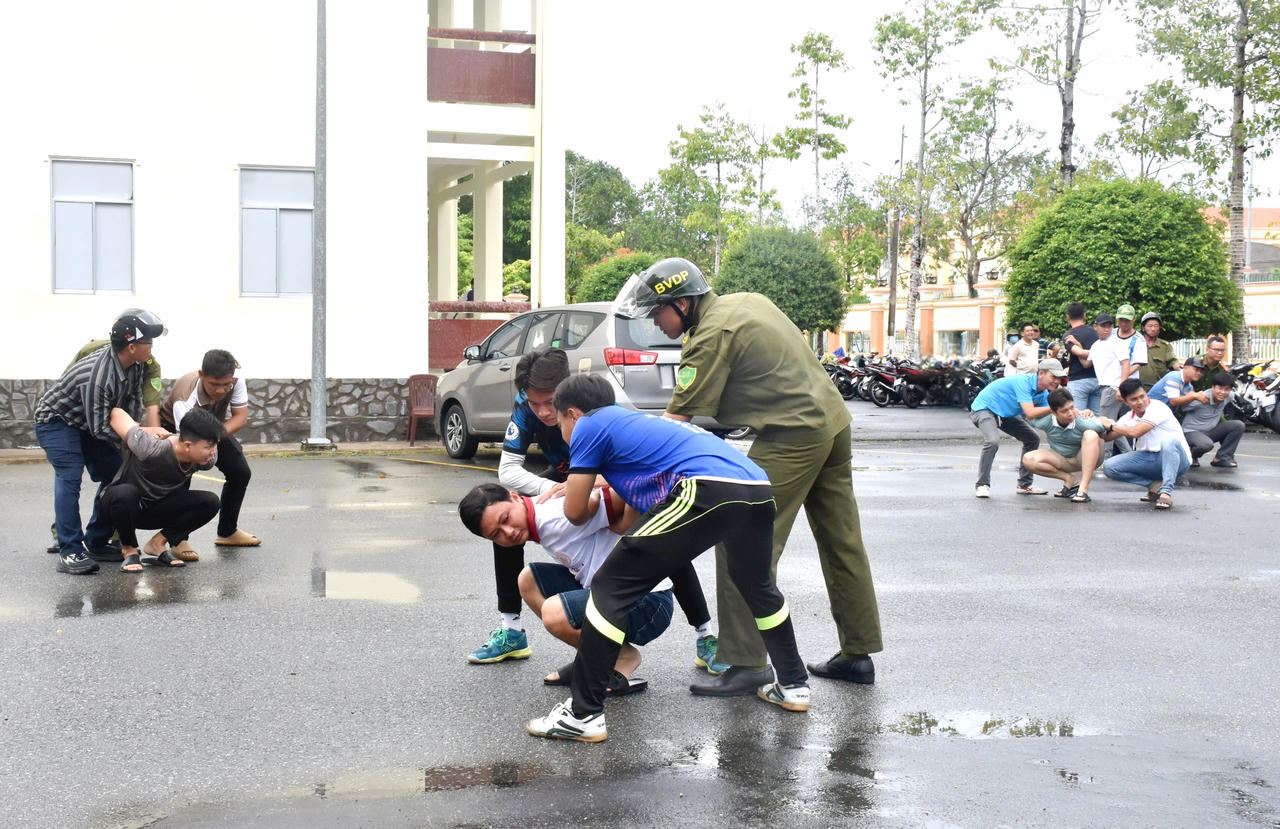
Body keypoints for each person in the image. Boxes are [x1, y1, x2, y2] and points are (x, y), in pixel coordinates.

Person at [615, 257, 882, 695]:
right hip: (834, 422)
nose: (655, 323)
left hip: (792, 434)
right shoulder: (746, 301)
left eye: (658, 312)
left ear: (683, 303)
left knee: (739, 534)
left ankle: (747, 662)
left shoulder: (709, 336)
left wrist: (627, 467)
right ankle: (858, 653)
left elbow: (676, 422)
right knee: (842, 540)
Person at [525, 374, 809, 743]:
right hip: (756, 487)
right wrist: (608, 480)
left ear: (573, 414)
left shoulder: (589, 426)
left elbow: (576, 512)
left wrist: (587, 482)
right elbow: (630, 522)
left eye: (559, 418)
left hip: (706, 485)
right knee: (759, 589)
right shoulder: (637, 424)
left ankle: (583, 714)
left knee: (611, 585)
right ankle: (793, 685)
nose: (559, 426)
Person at [469, 348, 719, 670]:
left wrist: (597, 485)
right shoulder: (524, 406)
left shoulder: (594, 403)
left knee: (657, 534)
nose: (544, 412)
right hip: (565, 477)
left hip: (606, 472)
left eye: (550, 403)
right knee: (502, 520)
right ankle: (512, 629)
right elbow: (509, 471)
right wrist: (557, 493)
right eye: (535, 403)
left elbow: (633, 453)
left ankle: (705, 635)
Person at [459, 482, 668, 696]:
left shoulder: (556, 515)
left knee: (554, 612)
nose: (509, 532)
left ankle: (621, 658)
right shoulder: (540, 518)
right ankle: (595, 660)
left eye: (506, 519)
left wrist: (597, 483)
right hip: (613, 593)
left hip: (647, 602)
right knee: (528, 580)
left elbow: (635, 489)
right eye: (496, 534)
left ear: (514, 497)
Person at [34, 310, 167, 576]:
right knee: (70, 476)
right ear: (131, 346)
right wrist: (138, 438)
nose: (152, 348)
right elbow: (100, 429)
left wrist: (135, 435)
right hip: (58, 422)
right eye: (149, 342)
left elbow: (126, 410)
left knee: (117, 474)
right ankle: (69, 549)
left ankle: (95, 541)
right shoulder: (99, 375)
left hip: (90, 423)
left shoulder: (137, 364)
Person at [157, 349, 258, 561]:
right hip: (180, 432)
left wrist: (214, 439)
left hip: (214, 428)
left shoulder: (236, 381)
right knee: (183, 478)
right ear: (202, 375)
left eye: (226, 384)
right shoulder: (185, 398)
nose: (222, 390)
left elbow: (240, 418)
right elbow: (191, 440)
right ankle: (177, 539)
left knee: (240, 472)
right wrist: (207, 445)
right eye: (214, 384)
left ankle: (227, 532)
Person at [100, 407, 223, 572]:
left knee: (211, 502)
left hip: (156, 510)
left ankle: (157, 544)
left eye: (215, 445)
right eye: (208, 447)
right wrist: (147, 429)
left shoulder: (207, 459)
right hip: (121, 507)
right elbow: (115, 413)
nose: (213, 452)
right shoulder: (151, 447)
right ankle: (129, 550)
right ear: (187, 445)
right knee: (126, 493)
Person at [968, 358, 1066, 497]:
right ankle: (982, 485)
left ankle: (1024, 485)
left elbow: (1044, 419)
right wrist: (1055, 408)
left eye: (1059, 378)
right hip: (984, 409)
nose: (1057, 381)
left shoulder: (1043, 394)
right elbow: (1031, 412)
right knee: (992, 441)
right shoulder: (1023, 382)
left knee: (1032, 438)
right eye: (1054, 377)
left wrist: (1071, 423)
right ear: (1041, 373)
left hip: (1006, 414)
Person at [1101, 378, 1192, 510]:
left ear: (1146, 393)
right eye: (1134, 399)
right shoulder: (1128, 417)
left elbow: (1135, 432)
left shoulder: (1158, 407)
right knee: (1109, 466)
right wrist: (1096, 421)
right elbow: (1107, 437)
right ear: (1125, 402)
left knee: (1169, 443)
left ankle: (1166, 493)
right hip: (1151, 460)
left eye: (1142, 396)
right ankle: (1154, 486)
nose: (1140, 402)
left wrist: (1111, 425)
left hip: (1177, 460)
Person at [1022, 388, 1108, 503]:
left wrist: (1101, 419)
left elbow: (1109, 426)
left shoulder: (1082, 420)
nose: (1070, 413)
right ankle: (1070, 480)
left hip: (1085, 458)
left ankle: (1083, 489)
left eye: (1072, 407)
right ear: (1053, 412)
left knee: (1091, 434)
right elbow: (1029, 416)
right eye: (1064, 411)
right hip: (1062, 459)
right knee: (1028, 459)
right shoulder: (1046, 421)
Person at [1082, 313, 1131, 454]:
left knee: (1104, 424)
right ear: (1095, 327)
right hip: (1104, 387)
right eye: (1103, 326)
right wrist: (1075, 347)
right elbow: (1086, 363)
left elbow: (1126, 363)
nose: (1107, 329)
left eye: (1109, 326)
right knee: (1111, 423)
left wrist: (1122, 387)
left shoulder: (1117, 342)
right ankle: (1128, 454)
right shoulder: (1096, 345)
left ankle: (1106, 457)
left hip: (1113, 387)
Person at [1181, 372, 1245, 469]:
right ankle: (1188, 456)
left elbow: (1233, 396)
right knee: (1206, 445)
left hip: (1210, 431)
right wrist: (1191, 396)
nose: (1222, 392)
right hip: (1191, 432)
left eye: (1226, 389)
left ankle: (1222, 457)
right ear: (1213, 387)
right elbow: (1181, 408)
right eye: (1219, 388)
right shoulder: (1202, 398)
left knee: (1238, 425)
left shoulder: (1229, 396)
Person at [1061, 302, 1100, 415]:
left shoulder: (1068, 336)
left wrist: (1078, 344)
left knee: (1077, 418)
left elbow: (1079, 353)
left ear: (1067, 317)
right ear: (1084, 315)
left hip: (1078, 381)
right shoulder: (1095, 332)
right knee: (1096, 419)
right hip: (1097, 379)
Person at [1138, 311, 1179, 388]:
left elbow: (1172, 361)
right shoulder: (1137, 343)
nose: (1153, 329)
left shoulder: (1165, 346)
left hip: (1157, 388)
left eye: (1156, 326)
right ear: (1143, 328)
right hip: (1137, 388)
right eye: (1150, 326)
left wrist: (1179, 368)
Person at [1113, 304, 1148, 384]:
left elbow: (1137, 365)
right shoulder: (1111, 334)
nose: (1123, 323)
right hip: (1109, 382)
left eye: (1127, 320)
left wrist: (1120, 377)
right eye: (1121, 320)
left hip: (1128, 382)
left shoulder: (1139, 339)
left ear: (1134, 319)